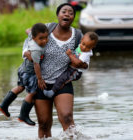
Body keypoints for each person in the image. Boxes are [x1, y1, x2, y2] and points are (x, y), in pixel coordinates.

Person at [23, 3, 84, 138]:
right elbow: (29, 38)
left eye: (71, 12)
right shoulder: (47, 29)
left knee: (67, 117)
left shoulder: (78, 36)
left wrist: (80, 61)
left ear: (73, 17)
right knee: (44, 123)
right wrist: (26, 52)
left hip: (63, 82)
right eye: (64, 11)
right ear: (58, 15)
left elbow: (82, 55)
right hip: (41, 82)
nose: (67, 14)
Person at [0, 23, 48, 126]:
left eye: (46, 37)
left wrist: (30, 32)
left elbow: (28, 30)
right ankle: (23, 115)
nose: (44, 41)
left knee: (20, 87)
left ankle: (4, 105)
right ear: (34, 38)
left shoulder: (31, 37)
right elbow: (36, 65)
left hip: (22, 69)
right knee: (33, 92)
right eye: (41, 38)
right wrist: (39, 79)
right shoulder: (36, 49)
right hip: (30, 73)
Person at [43, 32, 98, 98]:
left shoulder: (86, 54)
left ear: (93, 47)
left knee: (62, 78)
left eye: (88, 47)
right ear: (81, 40)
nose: (84, 48)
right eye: (83, 44)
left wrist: (70, 55)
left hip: (75, 71)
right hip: (71, 68)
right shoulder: (79, 46)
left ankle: (52, 92)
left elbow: (77, 63)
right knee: (59, 75)